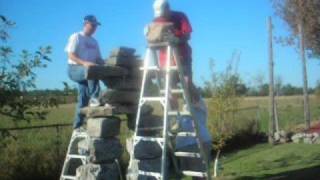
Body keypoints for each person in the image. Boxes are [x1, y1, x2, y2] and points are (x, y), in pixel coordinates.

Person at [65, 15, 105, 130]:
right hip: (74, 69)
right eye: (92, 25)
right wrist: (84, 63)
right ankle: (95, 98)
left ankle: (77, 126)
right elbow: (70, 55)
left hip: (87, 72)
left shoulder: (94, 42)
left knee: (83, 98)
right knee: (91, 70)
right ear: (85, 24)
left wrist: (108, 62)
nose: (94, 28)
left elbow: (98, 60)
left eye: (96, 26)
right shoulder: (76, 37)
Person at [175, 87, 212, 180]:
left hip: (198, 143)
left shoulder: (199, 103)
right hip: (187, 145)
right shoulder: (185, 108)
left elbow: (190, 88)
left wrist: (186, 80)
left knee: (199, 176)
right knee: (195, 175)